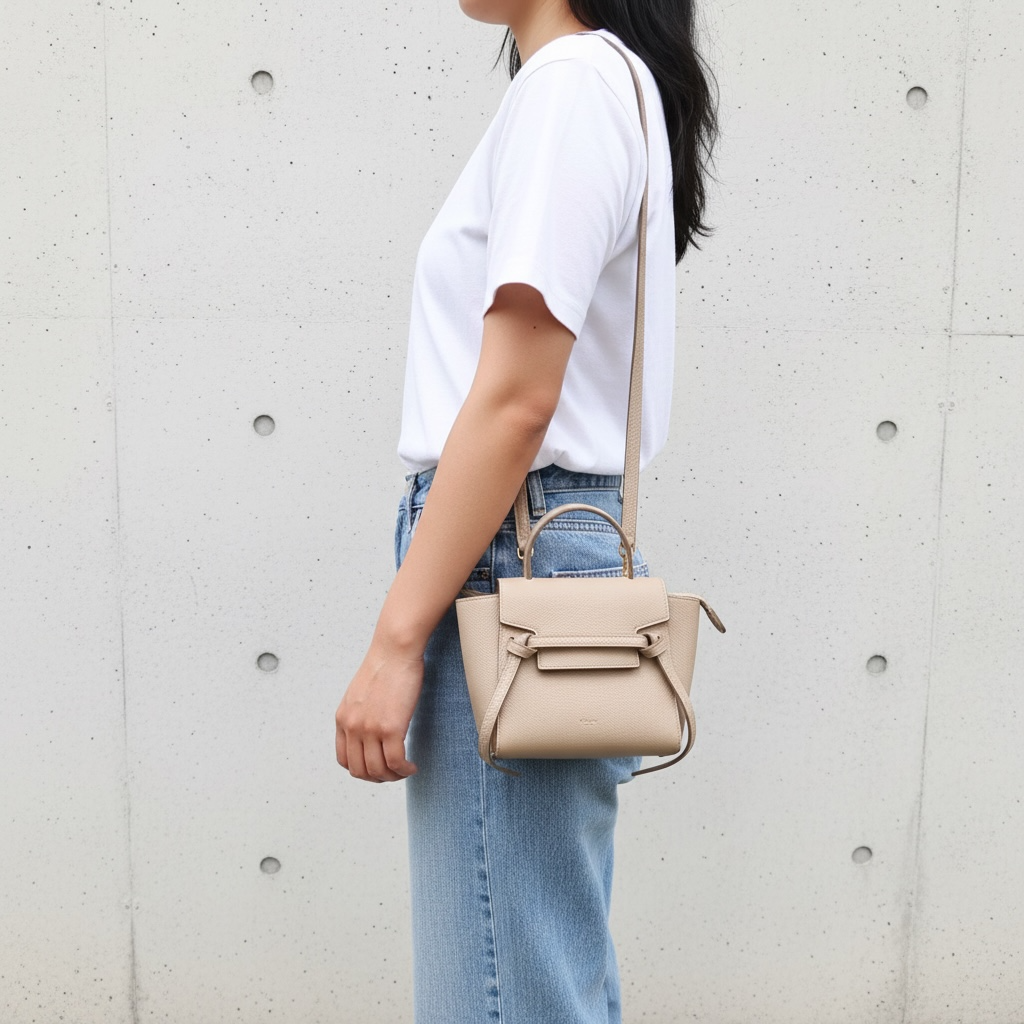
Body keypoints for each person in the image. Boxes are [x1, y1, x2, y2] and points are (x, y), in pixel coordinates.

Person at [335, 1, 719, 1020]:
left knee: (502, 987)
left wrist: (395, 640)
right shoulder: (600, 85)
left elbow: (515, 400)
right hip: (533, 545)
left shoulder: (572, 87)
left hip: (510, 548)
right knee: (542, 971)